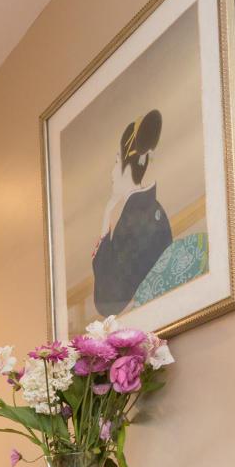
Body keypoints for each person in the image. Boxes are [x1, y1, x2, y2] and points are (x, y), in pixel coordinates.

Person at [90, 110, 172, 317]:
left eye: (117, 162)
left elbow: (108, 301)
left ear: (127, 166)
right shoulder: (151, 210)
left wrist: (106, 219)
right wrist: (108, 214)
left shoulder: (136, 220)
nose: (112, 172)